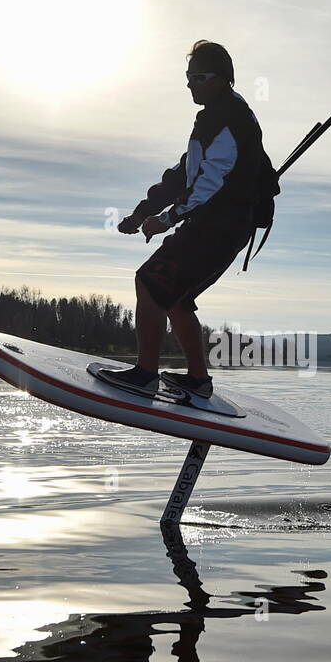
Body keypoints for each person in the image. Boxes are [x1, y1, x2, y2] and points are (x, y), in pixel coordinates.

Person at [115, 40, 267, 397]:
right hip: (215, 227)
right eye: (188, 77)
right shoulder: (214, 117)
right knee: (177, 300)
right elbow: (185, 172)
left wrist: (166, 220)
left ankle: (144, 376)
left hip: (218, 229)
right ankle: (198, 381)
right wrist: (143, 211)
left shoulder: (229, 120)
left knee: (149, 282)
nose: (190, 85)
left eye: (198, 77)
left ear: (221, 79)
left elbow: (210, 186)